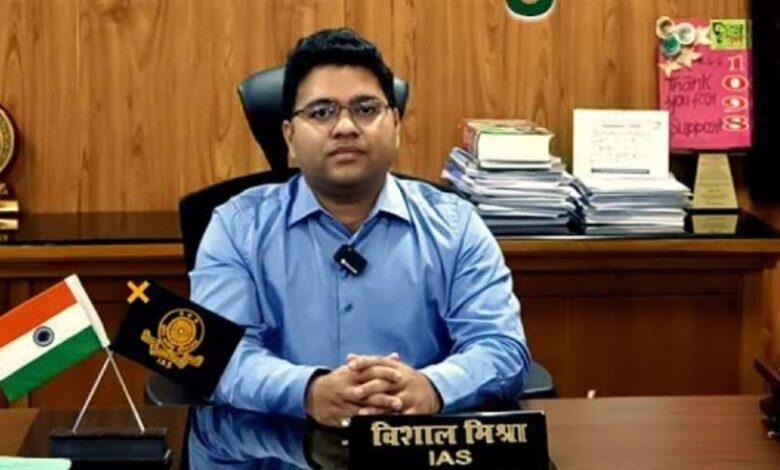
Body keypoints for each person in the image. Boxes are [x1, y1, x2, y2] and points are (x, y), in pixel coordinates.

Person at [190, 28, 531, 428]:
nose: (346, 127)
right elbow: (217, 355)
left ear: (396, 125)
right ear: (290, 137)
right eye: (321, 112)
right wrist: (309, 391)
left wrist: (432, 388)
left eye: (366, 109)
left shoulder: (456, 226)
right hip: (274, 445)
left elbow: (501, 346)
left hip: (420, 443)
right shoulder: (237, 228)